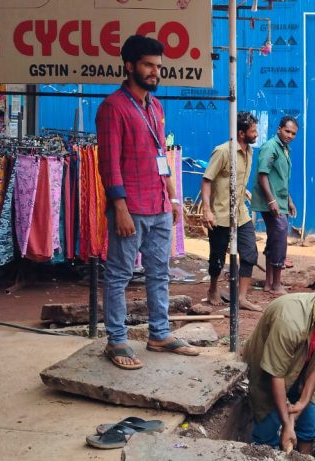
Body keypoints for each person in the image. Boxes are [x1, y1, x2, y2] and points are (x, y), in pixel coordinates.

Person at [96, 35, 197, 369]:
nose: (155, 72)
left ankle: (159, 333)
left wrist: (173, 197)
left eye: (158, 66)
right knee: (119, 275)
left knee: (159, 272)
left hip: (158, 205)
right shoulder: (113, 107)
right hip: (131, 207)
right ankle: (117, 341)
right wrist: (120, 207)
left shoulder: (155, 106)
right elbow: (108, 164)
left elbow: (160, 155)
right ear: (129, 66)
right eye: (148, 65)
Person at [243, 279, 315, 454]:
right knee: (266, 438)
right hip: (268, 373)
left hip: (301, 373)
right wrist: (286, 424)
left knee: (309, 430)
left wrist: (302, 402)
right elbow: (276, 374)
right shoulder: (291, 320)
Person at [201, 112, 262, 312]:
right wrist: (207, 210)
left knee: (250, 252)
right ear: (241, 133)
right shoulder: (223, 152)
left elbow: (238, 180)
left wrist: (246, 193)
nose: (257, 133)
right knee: (217, 256)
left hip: (240, 212)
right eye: (253, 131)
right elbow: (207, 180)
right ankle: (212, 289)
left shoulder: (250, 152)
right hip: (220, 213)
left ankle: (241, 298)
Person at [253, 116, 299, 295]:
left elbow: (280, 179)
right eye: (287, 131)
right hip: (271, 202)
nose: (290, 135)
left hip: (280, 201)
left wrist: (289, 201)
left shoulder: (284, 148)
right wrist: (272, 200)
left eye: (293, 133)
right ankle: (277, 284)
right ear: (279, 129)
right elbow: (262, 175)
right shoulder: (270, 147)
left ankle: (268, 283)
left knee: (274, 239)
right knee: (280, 238)